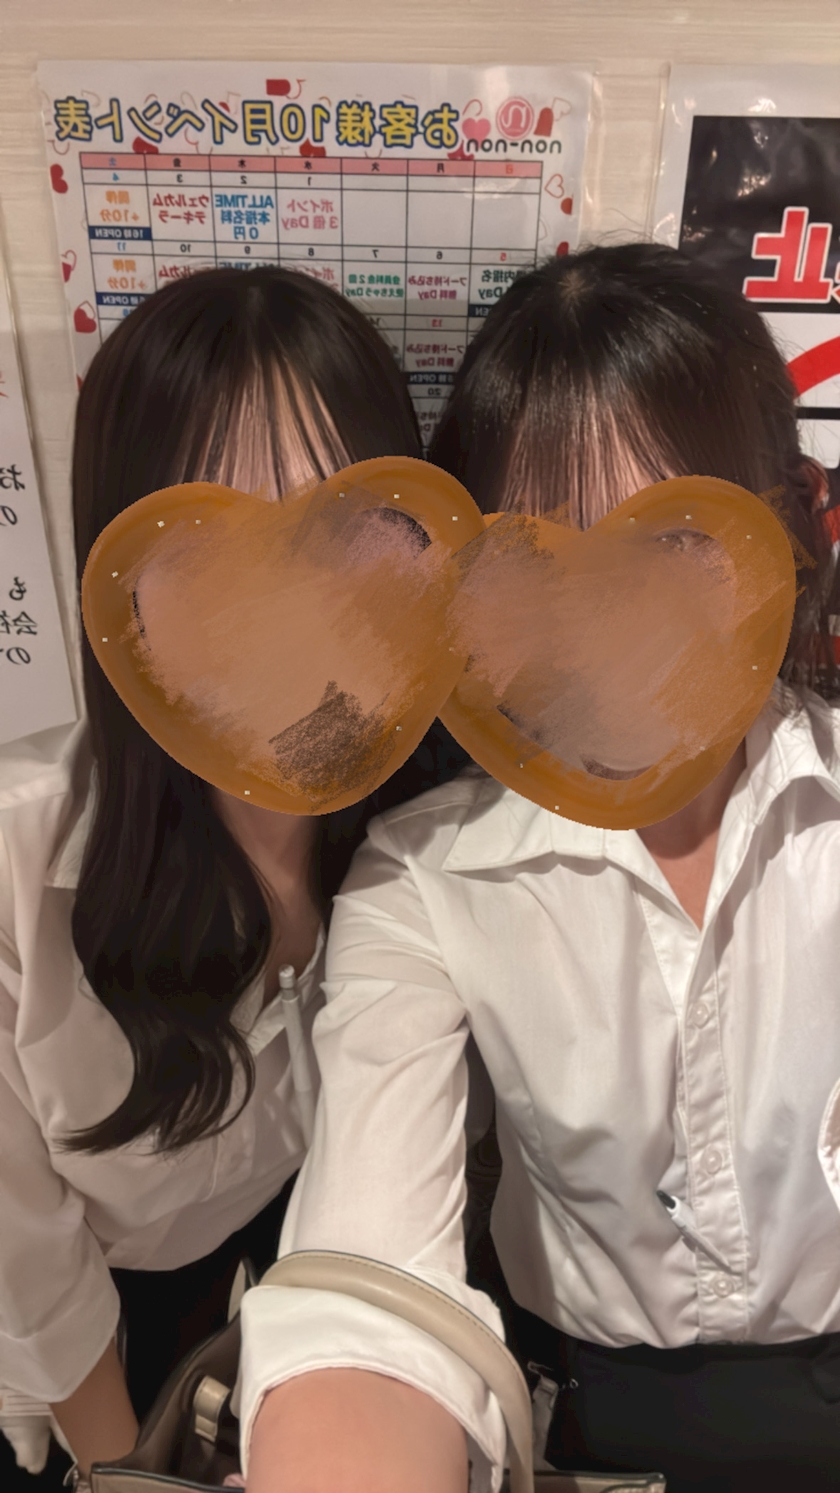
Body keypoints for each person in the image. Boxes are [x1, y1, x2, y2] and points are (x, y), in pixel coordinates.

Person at [241, 244, 840, 1493]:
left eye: (678, 545)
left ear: (789, 523)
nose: (616, 629)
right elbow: (367, 1283)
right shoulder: (426, 872)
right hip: (586, 1407)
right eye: (546, 569)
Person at [0, 265, 469, 1491]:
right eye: (209, 546)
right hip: (84, 1367)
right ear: (119, 583)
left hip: (288, 1309)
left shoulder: (429, 841)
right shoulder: (17, 869)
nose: (291, 609)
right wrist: (126, 1468)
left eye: (346, 533)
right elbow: (25, 1264)